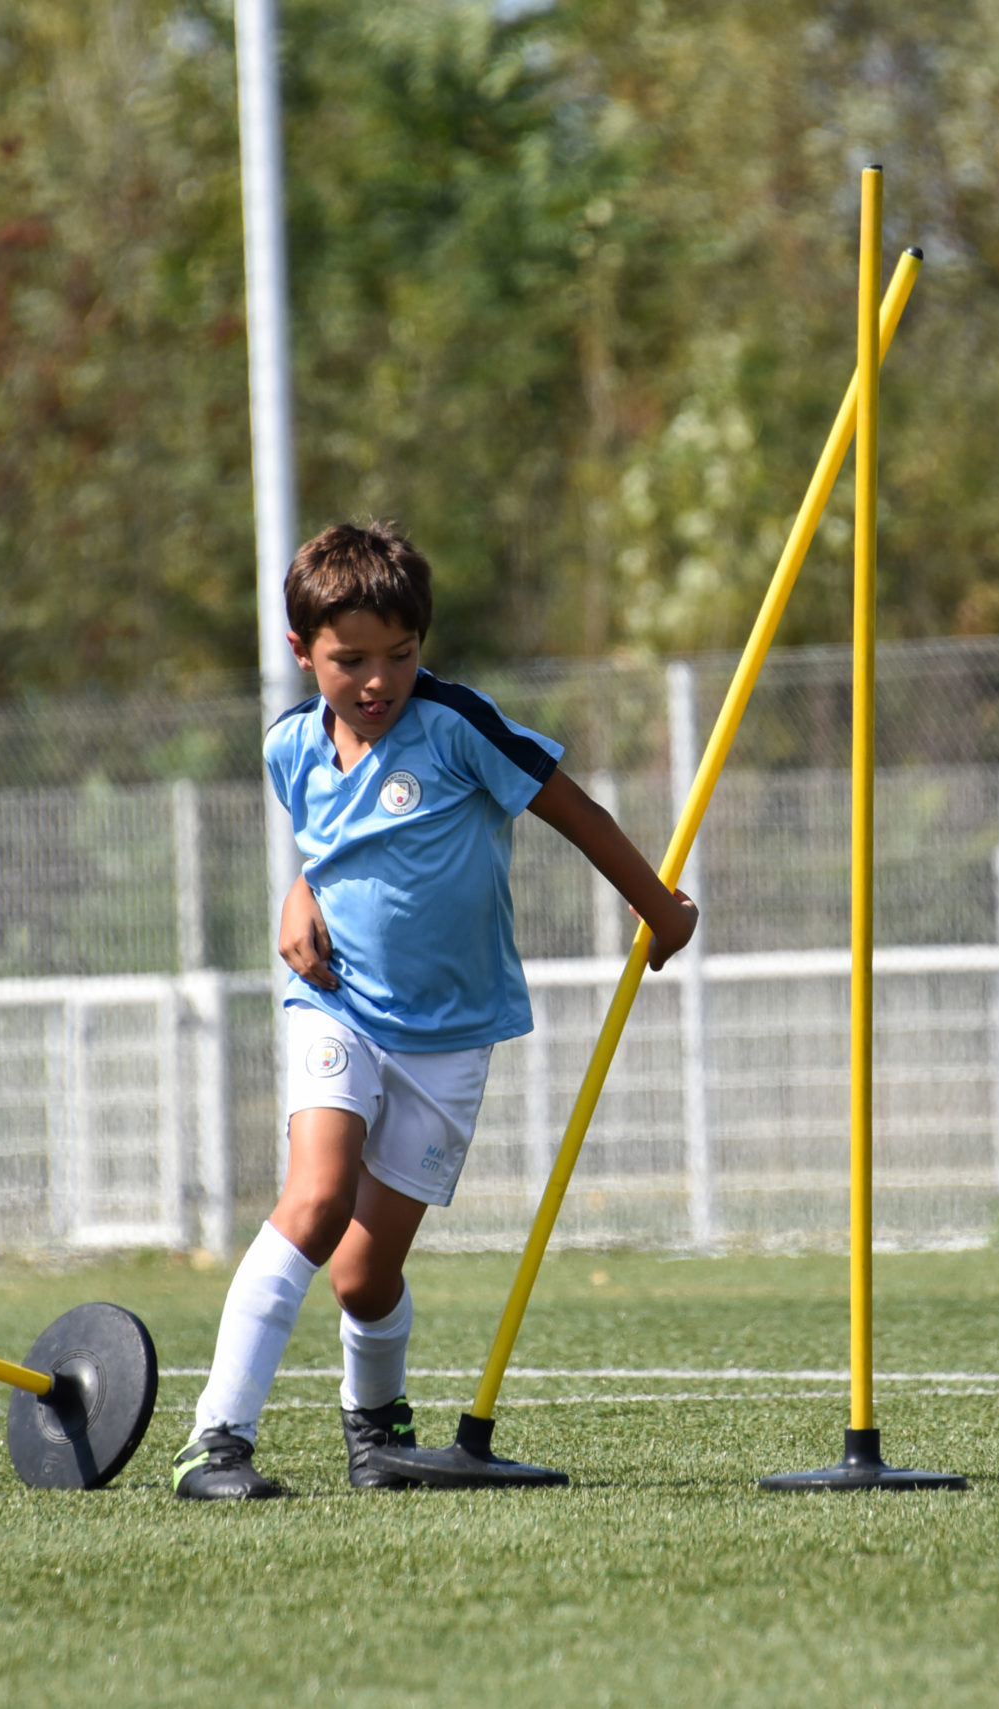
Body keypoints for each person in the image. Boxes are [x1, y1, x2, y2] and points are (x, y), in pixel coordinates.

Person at [174, 520, 698, 1500]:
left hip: (450, 1038)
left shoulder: (456, 725)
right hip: (336, 1007)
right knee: (316, 1199)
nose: (378, 681)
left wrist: (660, 909)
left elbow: (575, 811)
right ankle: (216, 1438)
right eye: (350, 660)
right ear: (302, 652)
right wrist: (298, 896)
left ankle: (377, 1436)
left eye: (401, 654)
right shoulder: (289, 745)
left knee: (363, 1277)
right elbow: (328, 845)